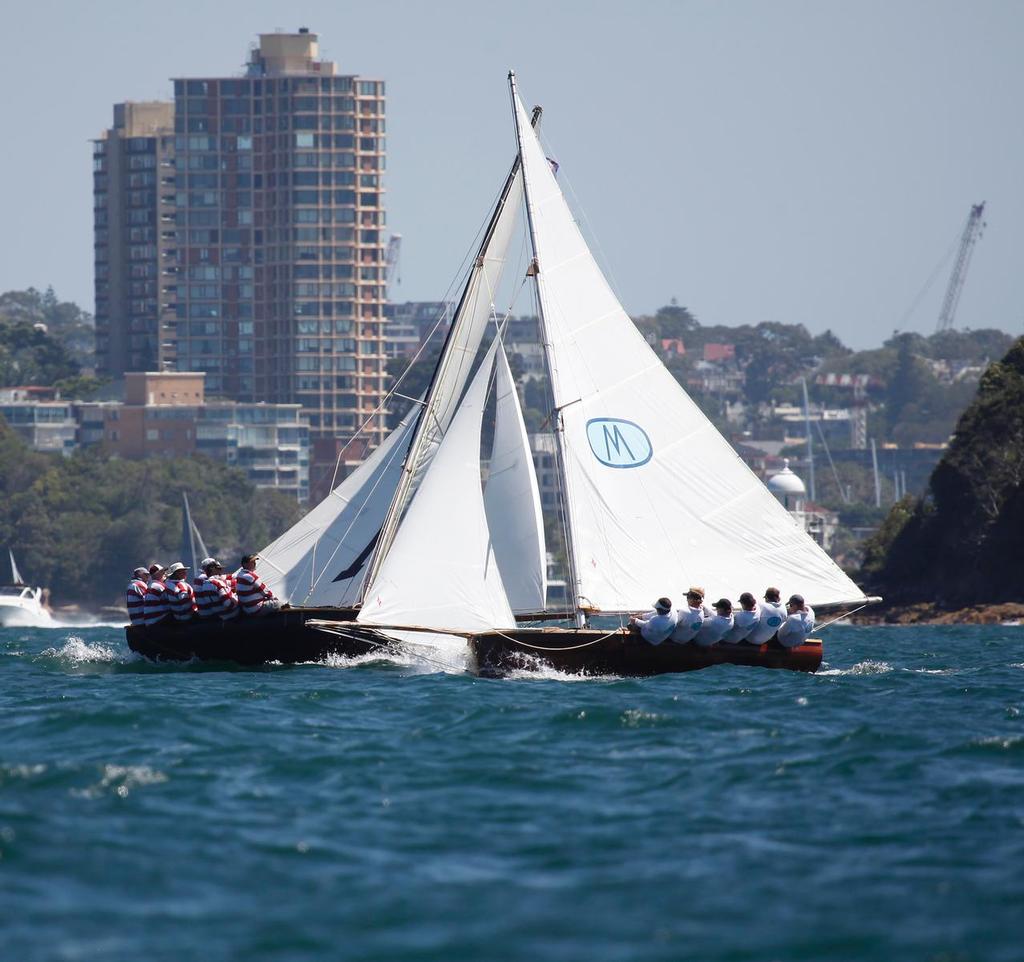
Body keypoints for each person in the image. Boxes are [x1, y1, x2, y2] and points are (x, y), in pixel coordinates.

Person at [142, 563, 171, 628]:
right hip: (158, 624)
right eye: (162, 572)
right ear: (157, 574)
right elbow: (171, 603)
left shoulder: (150, 586)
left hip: (150, 623)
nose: (165, 574)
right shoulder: (159, 586)